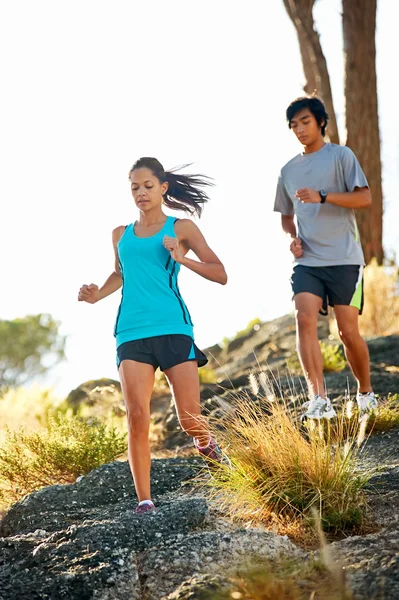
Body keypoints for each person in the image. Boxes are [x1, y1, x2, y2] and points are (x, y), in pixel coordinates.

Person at [78, 157, 228, 513]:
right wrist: (97, 293)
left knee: (190, 419)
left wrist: (182, 257)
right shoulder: (120, 234)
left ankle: (207, 444)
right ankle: (145, 500)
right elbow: (121, 273)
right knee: (136, 416)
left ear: (163, 188)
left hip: (173, 327)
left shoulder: (182, 228)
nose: (141, 193)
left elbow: (220, 273)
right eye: (134, 187)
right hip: (130, 331)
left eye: (147, 186)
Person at [274, 95, 378, 421]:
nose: (299, 129)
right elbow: (286, 216)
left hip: (345, 258)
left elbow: (365, 198)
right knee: (303, 318)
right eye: (293, 125)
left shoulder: (341, 156)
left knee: (347, 332)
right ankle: (318, 399)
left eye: (305, 121)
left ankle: (366, 393)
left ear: (320, 121)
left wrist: (322, 196)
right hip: (308, 261)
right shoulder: (288, 170)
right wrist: (293, 239)